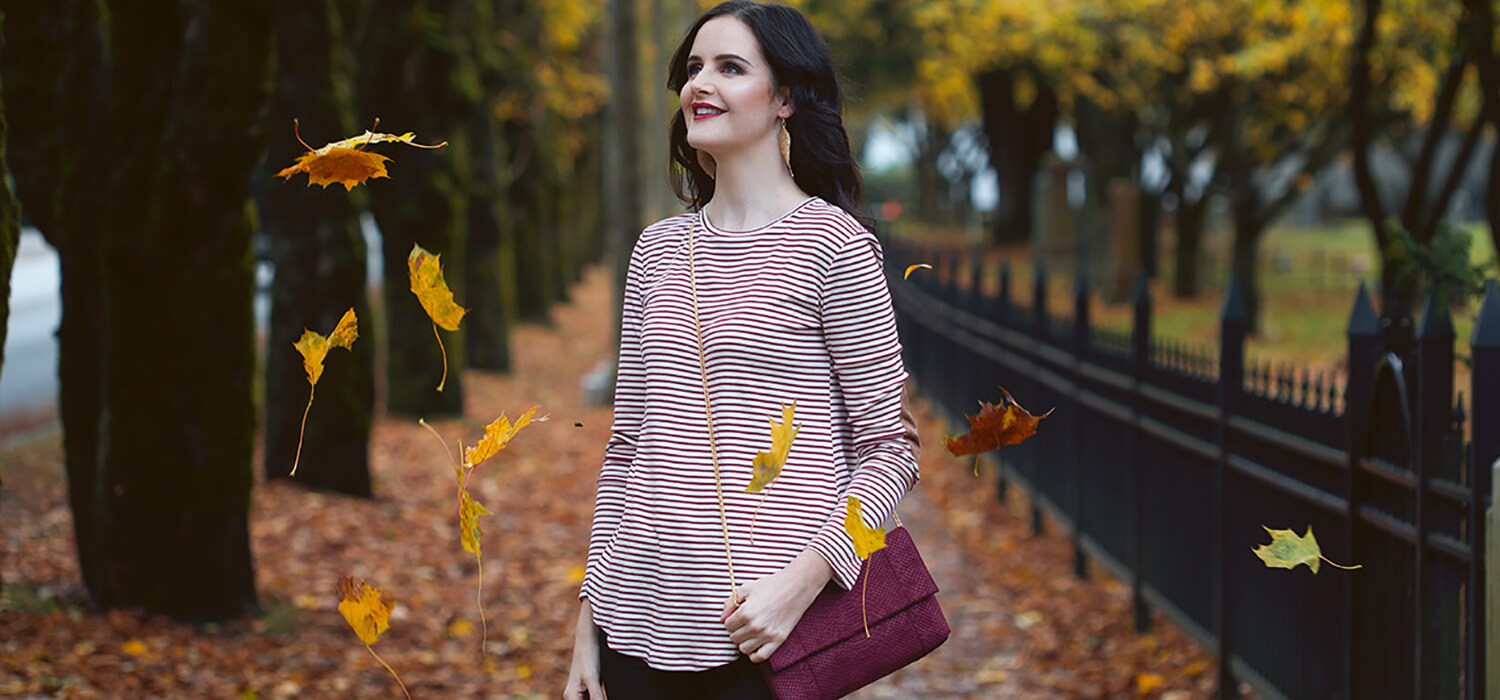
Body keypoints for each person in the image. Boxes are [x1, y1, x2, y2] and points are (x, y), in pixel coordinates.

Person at [564, 2, 920, 698]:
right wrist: (589, 619)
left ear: (785, 97)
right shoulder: (656, 252)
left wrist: (804, 580)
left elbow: (890, 449)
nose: (702, 84)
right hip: (634, 628)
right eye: (694, 67)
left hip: (769, 638)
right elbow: (627, 449)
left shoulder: (834, 247)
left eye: (730, 67)